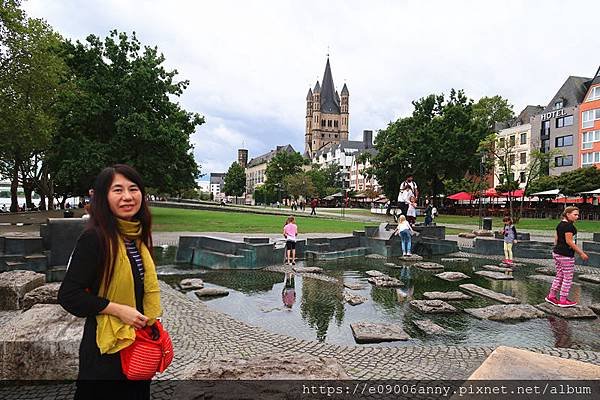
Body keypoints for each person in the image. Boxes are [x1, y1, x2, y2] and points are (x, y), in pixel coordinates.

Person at [58, 164, 161, 399]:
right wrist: (117, 309)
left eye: (133, 189)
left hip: (136, 344)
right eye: (118, 190)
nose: (127, 196)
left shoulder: (136, 235)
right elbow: (68, 295)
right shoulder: (94, 238)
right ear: (104, 197)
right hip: (105, 349)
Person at [545, 206, 588, 308]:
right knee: (568, 278)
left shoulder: (560, 224)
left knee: (559, 275)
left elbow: (556, 239)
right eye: (575, 215)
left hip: (557, 253)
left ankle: (551, 296)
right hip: (565, 255)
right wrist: (581, 253)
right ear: (568, 214)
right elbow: (569, 241)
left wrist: (557, 248)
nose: (577, 217)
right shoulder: (569, 227)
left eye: (578, 215)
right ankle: (563, 300)